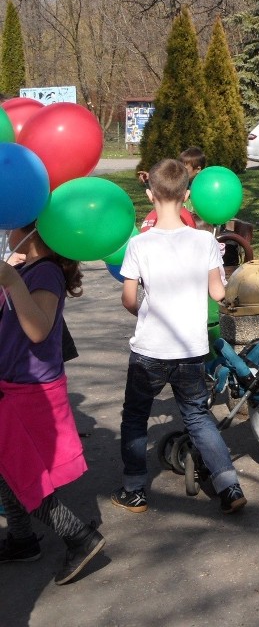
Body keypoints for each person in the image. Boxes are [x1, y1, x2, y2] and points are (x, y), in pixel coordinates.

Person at [111, 158, 247, 515]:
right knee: (198, 416)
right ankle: (229, 486)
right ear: (187, 195)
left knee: (135, 416)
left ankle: (135, 490)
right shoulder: (204, 241)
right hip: (191, 348)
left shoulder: (139, 245)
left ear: (149, 194)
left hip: (149, 350)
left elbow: (129, 299)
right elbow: (218, 293)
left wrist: (146, 314)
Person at [0, 223, 106, 585]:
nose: (6, 231)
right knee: (9, 469)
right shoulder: (29, 266)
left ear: (35, 233)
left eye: (12, 226)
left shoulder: (45, 272)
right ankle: (21, 537)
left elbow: (38, 330)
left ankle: (79, 536)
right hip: (13, 384)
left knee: (26, 474)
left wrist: (12, 280)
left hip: (27, 391)